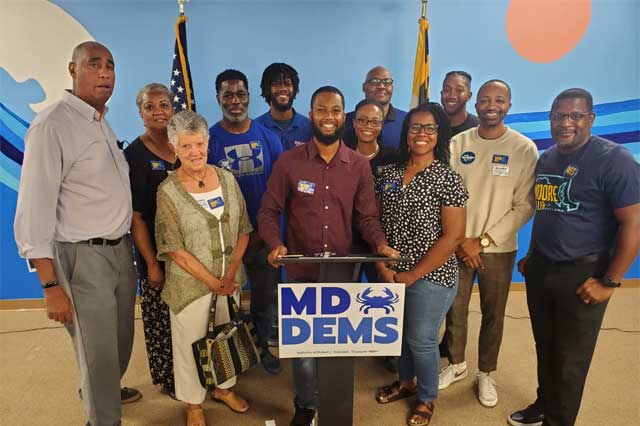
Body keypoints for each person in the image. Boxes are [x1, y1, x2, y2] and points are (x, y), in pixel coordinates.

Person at [14, 41, 140, 426]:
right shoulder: (53, 125)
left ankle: (99, 389)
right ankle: (102, 418)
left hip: (119, 251)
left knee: (117, 343)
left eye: (111, 66)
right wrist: (50, 286)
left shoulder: (99, 120)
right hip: (83, 257)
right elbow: (34, 208)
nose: (105, 72)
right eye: (94, 64)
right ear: (73, 70)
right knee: (97, 349)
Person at [257, 86, 399, 426]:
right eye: (322, 110)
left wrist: (379, 244)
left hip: (340, 271)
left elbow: (366, 217)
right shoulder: (289, 162)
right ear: (312, 112)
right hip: (301, 271)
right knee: (305, 349)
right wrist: (275, 243)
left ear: (343, 116)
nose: (329, 117)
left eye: (335, 110)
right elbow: (267, 211)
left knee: (336, 341)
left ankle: (333, 398)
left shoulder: (358, 166)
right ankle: (306, 404)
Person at [508, 88, 640, 426]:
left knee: (571, 358)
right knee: (546, 346)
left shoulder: (615, 159)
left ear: (590, 119)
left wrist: (610, 281)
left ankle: (559, 421)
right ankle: (544, 403)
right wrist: (533, 256)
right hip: (542, 271)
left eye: (575, 116)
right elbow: (548, 212)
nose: (566, 123)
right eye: (558, 116)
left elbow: (633, 223)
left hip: (585, 276)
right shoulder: (548, 157)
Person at [440, 80, 538, 408]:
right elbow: (447, 196)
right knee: (455, 309)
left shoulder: (524, 148)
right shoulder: (457, 143)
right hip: (457, 245)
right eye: (485, 99)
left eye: (499, 99)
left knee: (492, 312)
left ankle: (486, 372)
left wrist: (481, 241)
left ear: (509, 105)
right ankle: (456, 363)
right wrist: (460, 240)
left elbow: (524, 205)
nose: (491, 105)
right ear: (476, 104)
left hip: (496, 248)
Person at [155, 110, 253, 426]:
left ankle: (224, 388)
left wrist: (230, 273)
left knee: (226, 336)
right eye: (186, 146)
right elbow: (174, 249)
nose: (194, 152)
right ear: (175, 149)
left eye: (199, 143)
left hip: (229, 280)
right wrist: (212, 281)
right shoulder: (168, 191)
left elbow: (243, 229)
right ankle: (193, 402)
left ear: (208, 142)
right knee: (190, 342)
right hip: (191, 284)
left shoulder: (226, 178)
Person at [374, 102, 468, 426]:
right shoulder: (388, 173)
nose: (421, 134)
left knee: (421, 338)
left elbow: (453, 237)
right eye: (415, 127)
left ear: (439, 134)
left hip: (432, 274)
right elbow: (378, 223)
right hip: (392, 272)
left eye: (429, 128)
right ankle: (406, 382)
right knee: (399, 335)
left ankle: (427, 398)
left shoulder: (448, 178)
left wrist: (413, 274)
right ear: (406, 132)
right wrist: (383, 266)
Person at [207, 69, 283, 375]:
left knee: (265, 301)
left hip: (263, 239)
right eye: (228, 95)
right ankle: (232, 358)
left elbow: (280, 191)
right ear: (218, 99)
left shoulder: (269, 138)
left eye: (240, 94)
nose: (235, 101)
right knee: (228, 303)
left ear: (249, 96)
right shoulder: (209, 140)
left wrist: (268, 233)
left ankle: (262, 347)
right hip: (225, 242)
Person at [124, 83, 176, 397]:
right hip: (155, 254)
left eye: (164, 105)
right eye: (149, 106)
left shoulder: (184, 146)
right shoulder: (135, 155)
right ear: (140, 113)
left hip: (188, 252)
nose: (158, 112)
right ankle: (170, 379)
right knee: (162, 322)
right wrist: (152, 265)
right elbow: (136, 216)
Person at [343, 66, 407, 149]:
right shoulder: (345, 121)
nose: (381, 86)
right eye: (374, 81)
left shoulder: (406, 120)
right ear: (363, 87)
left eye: (387, 82)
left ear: (392, 88)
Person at [256, 62, 311, 150]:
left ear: (294, 88)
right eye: (277, 84)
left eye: (288, 84)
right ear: (267, 89)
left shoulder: (310, 128)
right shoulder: (256, 128)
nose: (283, 88)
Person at [440, 70, 480, 137]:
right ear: (441, 93)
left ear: (469, 96)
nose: (452, 96)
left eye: (459, 90)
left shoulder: (479, 128)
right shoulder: (430, 126)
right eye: (447, 90)